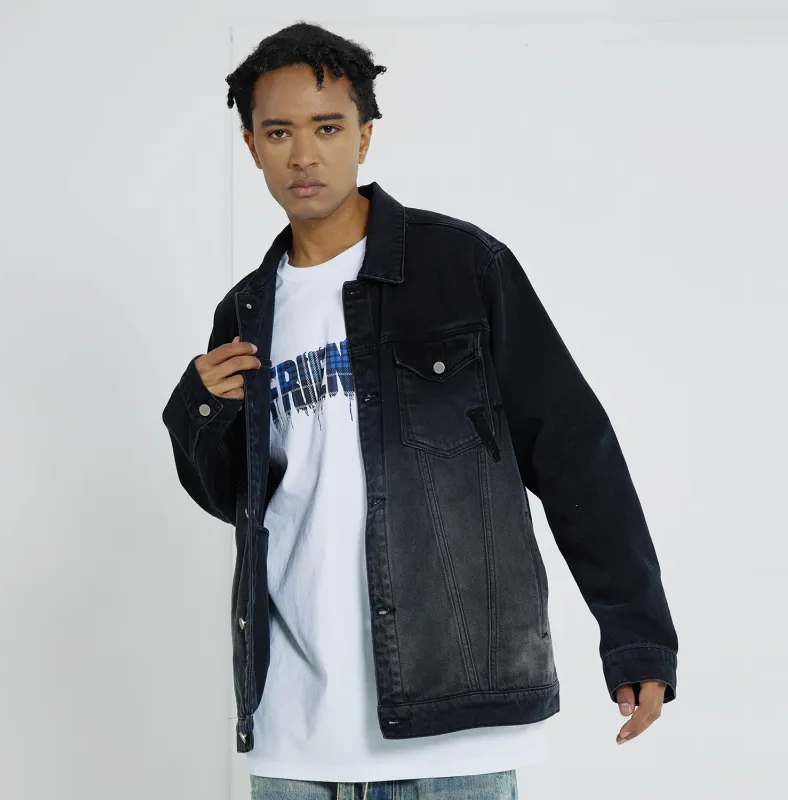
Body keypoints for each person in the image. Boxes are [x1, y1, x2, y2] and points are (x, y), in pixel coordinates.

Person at [162, 21, 678, 800]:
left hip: (451, 723)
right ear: (252, 146)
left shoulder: (462, 267)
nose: (304, 155)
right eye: (278, 132)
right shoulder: (244, 313)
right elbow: (236, 498)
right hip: (294, 733)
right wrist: (200, 411)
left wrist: (636, 635)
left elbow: (574, 450)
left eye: (327, 127)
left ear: (364, 136)